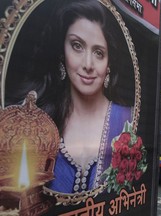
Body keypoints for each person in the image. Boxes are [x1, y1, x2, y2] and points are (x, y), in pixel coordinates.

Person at [5, 0, 136, 194]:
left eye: (99, 53)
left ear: (109, 63)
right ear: (62, 53)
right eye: (77, 46)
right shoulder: (33, 118)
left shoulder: (128, 120)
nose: (88, 64)